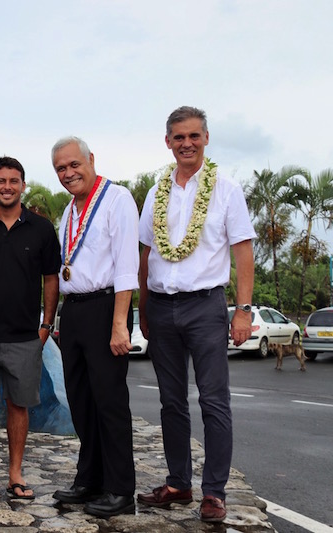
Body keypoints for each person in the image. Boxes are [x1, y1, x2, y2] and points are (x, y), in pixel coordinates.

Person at [137, 106, 255, 523]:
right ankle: (178, 483)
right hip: (161, 306)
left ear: (206, 138)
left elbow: (243, 252)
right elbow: (146, 254)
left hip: (205, 306)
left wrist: (243, 312)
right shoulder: (156, 192)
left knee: (213, 401)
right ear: (167, 142)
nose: (186, 143)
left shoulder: (226, 189)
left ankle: (214, 493)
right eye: (178, 137)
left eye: (193, 136)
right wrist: (143, 308)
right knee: (171, 401)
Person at [49, 137, 139, 518]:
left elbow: (126, 265)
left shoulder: (117, 199)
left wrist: (120, 323)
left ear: (91, 159)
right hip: (74, 311)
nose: (68, 173)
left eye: (74, 164)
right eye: (61, 168)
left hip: (106, 308)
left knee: (109, 401)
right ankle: (90, 479)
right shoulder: (69, 210)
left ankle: (120, 489)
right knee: (81, 400)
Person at [0, 156, 61, 500]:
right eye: (1, 181)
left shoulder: (41, 228)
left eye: (13, 181)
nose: (7, 187)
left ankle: (16, 473)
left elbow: (51, 278)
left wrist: (46, 326)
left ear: (23, 185)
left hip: (24, 336)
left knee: (20, 407)